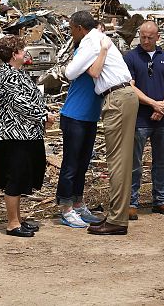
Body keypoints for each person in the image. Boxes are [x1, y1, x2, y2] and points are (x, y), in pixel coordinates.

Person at [65, 11, 139, 235]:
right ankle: (117, 215)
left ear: (79, 28)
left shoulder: (90, 42)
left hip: (116, 98)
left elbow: (70, 73)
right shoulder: (100, 40)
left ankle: (117, 220)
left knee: (117, 161)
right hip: (122, 96)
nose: (70, 33)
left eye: (71, 29)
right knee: (121, 160)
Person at [0, 36, 55, 237]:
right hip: (14, 135)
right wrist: (43, 115)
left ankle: (18, 219)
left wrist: (45, 112)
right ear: (13, 54)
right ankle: (12, 223)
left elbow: (33, 98)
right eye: (22, 50)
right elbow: (20, 103)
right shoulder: (7, 75)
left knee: (22, 178)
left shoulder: (20, 73)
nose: (25, 53)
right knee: (14, 178)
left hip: (29, 134)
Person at [124, 21, 164, 219]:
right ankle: (131, 202)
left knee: (163, 162)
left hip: (162, 120)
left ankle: (161, 200)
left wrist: (163, 105)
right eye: (143, 37)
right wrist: (153, 104)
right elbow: (130, 86)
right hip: (139, 119)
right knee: (134, 163)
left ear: (158, 37)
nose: (146, 41)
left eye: (150, 37)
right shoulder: (130, 57)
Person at [56, 34, 104, 228]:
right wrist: (105, 49)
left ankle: (78, 203)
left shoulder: (99, 54)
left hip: (90, 117)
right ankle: (66, 209)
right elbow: (94, 72)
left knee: (83, 164)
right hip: (74, 116)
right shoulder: (84, 53)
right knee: (71, 165)